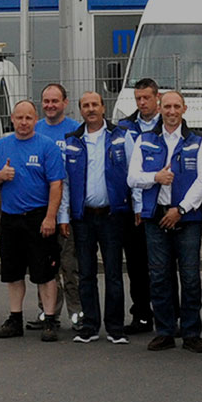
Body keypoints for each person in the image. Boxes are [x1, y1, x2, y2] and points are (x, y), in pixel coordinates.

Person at [128, 90, 202, 353]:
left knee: (190, 277)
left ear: (184, 109)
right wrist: (155, 178)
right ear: (160, 108)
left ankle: (191, 332)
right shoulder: (145, 140)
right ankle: (164, 331)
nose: (172, 111)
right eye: (167, 106)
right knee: (159, 276)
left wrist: (182, 209)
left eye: (177, 106)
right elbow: (133, 178)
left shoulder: (199, 141)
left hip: (187, 218)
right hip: (155, 217)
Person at [0, 99, 66, 342]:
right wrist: (1, 175)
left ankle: (50, 319)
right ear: (12, 118)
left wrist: (51, 217)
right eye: (19, 118)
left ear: (36, 119)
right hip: (11, 218)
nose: (23, 122)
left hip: (39, 217)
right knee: (12, 272)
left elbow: (56, 184)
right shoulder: (1, 146)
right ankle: (15, 318)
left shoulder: (46, 146)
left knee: (45, 273)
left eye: (29, 118)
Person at [62, 91, 133, 344]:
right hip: (83, 218)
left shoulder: (120, 137)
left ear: (103, 108)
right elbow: (66, 184)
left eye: (95, 104)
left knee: (113, 273)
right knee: (86, 274)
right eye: (85, 106)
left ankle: (115, 328)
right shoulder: (72, 140)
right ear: (80, 111)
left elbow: (132, 174)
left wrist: (136, 209)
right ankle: (89, 326)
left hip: (112, 216)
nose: (90, 109)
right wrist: (64, 217)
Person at [34, 83, 83, 333]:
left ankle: (77, 313)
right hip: (41, 208)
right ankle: (47, 312)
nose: (50, 106)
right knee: (44, 265)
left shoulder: (76, 130)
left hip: (70, 210)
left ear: (65, 102)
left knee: (69, 264)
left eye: (55, 101)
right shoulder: (35, 129)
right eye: (46, 101)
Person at [113, 78, 159, 333]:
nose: (142, 103)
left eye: (146, 98)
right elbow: (125, 169)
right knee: (136, 264)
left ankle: (170, 317)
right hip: (132, 208)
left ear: (157, 97)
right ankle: (141, 315)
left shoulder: (169, 124)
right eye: (138, 99)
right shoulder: (125, 127)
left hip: (162, 205)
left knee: (162, 265)